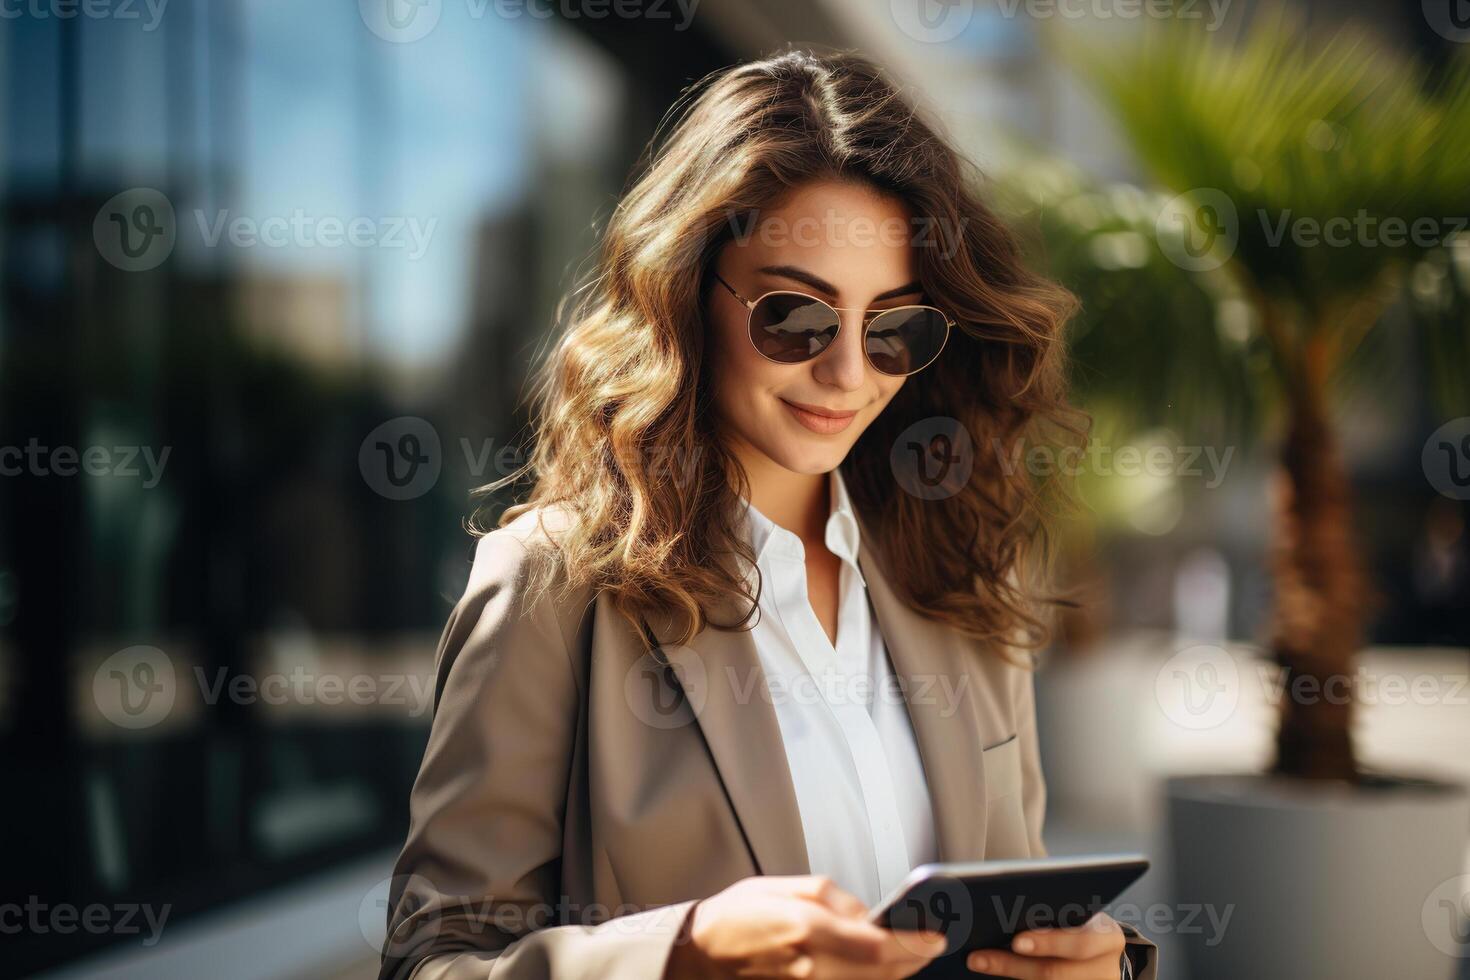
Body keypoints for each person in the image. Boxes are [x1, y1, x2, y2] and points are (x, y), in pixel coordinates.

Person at [378, 49, 1157, 980]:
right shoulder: (554, 586)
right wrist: (685, 953)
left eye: (894, 326)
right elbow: (433, 959)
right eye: (795, 317)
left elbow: (1012, 907)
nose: (849, 374)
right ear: (685, 291)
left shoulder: (962, 578)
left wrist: (1099, 967)